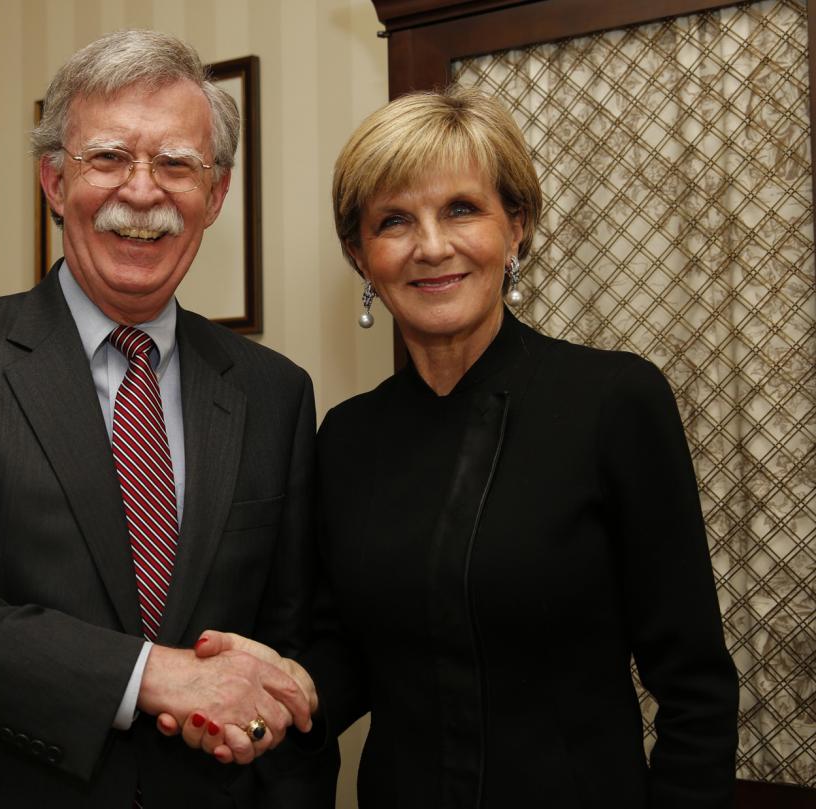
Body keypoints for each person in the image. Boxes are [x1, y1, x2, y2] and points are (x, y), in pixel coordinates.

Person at [175, 86, 740, 807]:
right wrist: (282, 692)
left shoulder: (615, 402)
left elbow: (695, 685)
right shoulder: (347, 437)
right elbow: (351, 649)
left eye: (463, 209)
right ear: (361, 255)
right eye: (395, 221)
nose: (431, 246)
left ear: (517, 227)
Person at [0, 29, 335, 809]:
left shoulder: (274, 392)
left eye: (176, 163)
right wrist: (149, 672)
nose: (142, 192)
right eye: (107, 158)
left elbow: (294, 637)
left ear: (216, 194)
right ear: (53, 180)